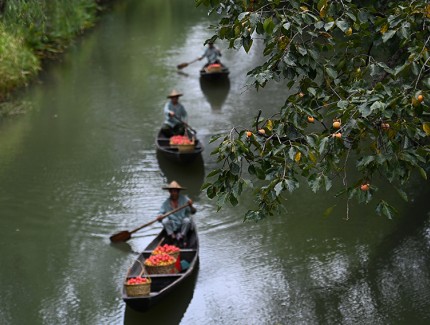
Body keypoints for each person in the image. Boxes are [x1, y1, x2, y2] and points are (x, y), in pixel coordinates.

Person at [156, 181, 196, 246]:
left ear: (178, 191)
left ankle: (182, 237)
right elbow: (160, 214)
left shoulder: (185, 199)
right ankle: (173, 238)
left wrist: (191, 206)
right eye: (172, 191)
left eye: (175, 191)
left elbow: (193, 212)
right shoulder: (166, 203)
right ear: (169, 192)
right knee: (164, 221)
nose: (174, 193)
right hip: (173, 225)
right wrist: (160, 217)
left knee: (187, 220)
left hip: (183, 224)